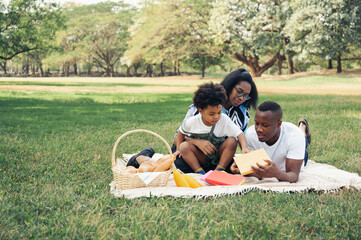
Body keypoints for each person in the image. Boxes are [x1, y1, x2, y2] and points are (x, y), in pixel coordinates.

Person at [172, 68, 258, 173]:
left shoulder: (243, 112)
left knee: (237, 167)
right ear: (230, 86)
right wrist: (197, 142)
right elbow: (178, 138)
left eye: (246, 95)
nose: (241, 98)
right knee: (178, 165)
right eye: (239, 91)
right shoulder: (204, 104)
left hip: (219, 155)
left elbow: (239, 137)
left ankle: (218, 171)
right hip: (194, 152)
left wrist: (245, 153)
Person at [230, 101, 311, 183]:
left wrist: (278, 174)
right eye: (257, 123)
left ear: (279, 124)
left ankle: (302, 128)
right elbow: (258, 173)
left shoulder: (294, 136)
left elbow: (293, 176)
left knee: (302, 143)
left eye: (265, 125)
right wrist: (242, 168)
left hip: (291, 153)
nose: (259, 129)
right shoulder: (250, 134)